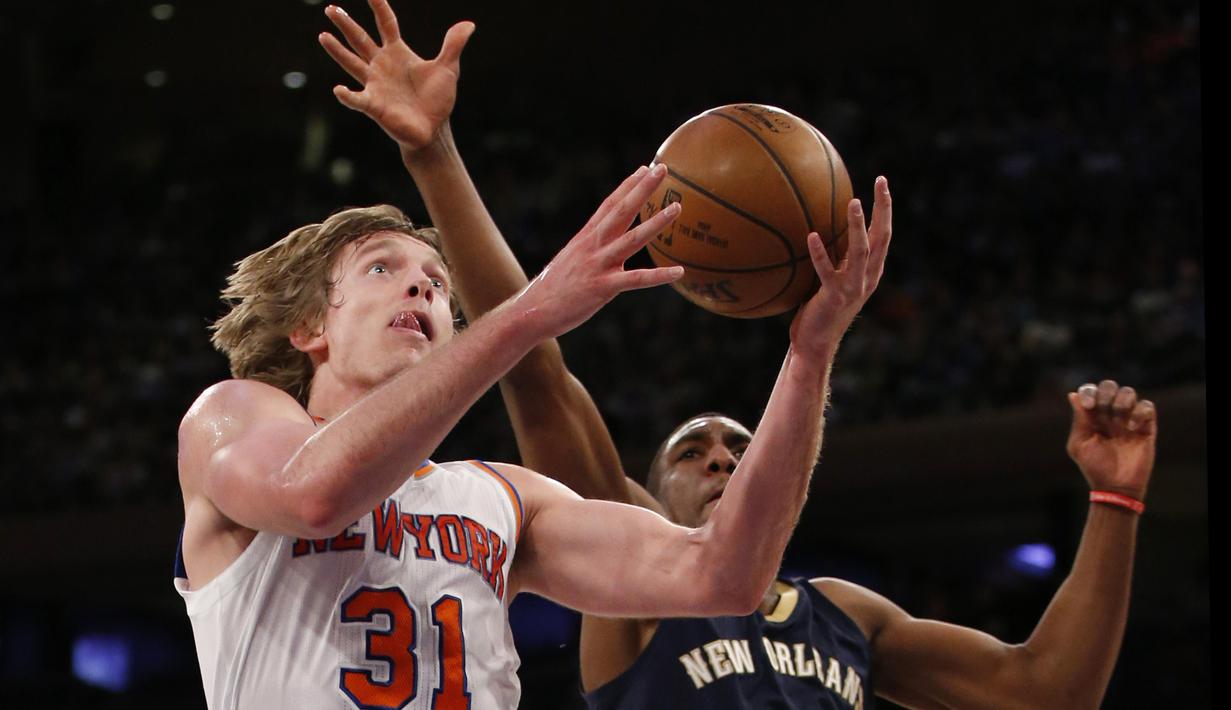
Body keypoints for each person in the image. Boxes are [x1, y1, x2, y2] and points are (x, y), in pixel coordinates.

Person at [358, 6, 1162, 710]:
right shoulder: (631, 585)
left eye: (738, 448)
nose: (719, 458)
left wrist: (1114, 502)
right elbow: (535, 370)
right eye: (692, 450)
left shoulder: (848, 618)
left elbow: (1045, 694)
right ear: (651, 488)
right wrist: (434, 153)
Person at [171, 2, 890, 708]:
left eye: (438, 283)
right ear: (306, 328)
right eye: (382, 268)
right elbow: (315, 495)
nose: (423, 281)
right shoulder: (234, 417)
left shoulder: (504, 500)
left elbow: (723, 574)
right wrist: (529, 311)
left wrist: (809, 353)